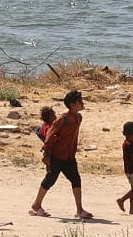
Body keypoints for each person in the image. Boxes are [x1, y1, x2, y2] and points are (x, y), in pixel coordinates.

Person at [30, 89, 91, 219]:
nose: (82, 103)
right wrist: (46, 155)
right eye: (80, 101)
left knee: (76, 180)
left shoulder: (78, 118)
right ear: (72, 105)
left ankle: (79, 210)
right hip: (57, 156)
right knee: (49, 180)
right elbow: (49, 137)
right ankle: (36, 205)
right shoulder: (61, 120)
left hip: (69, 156)